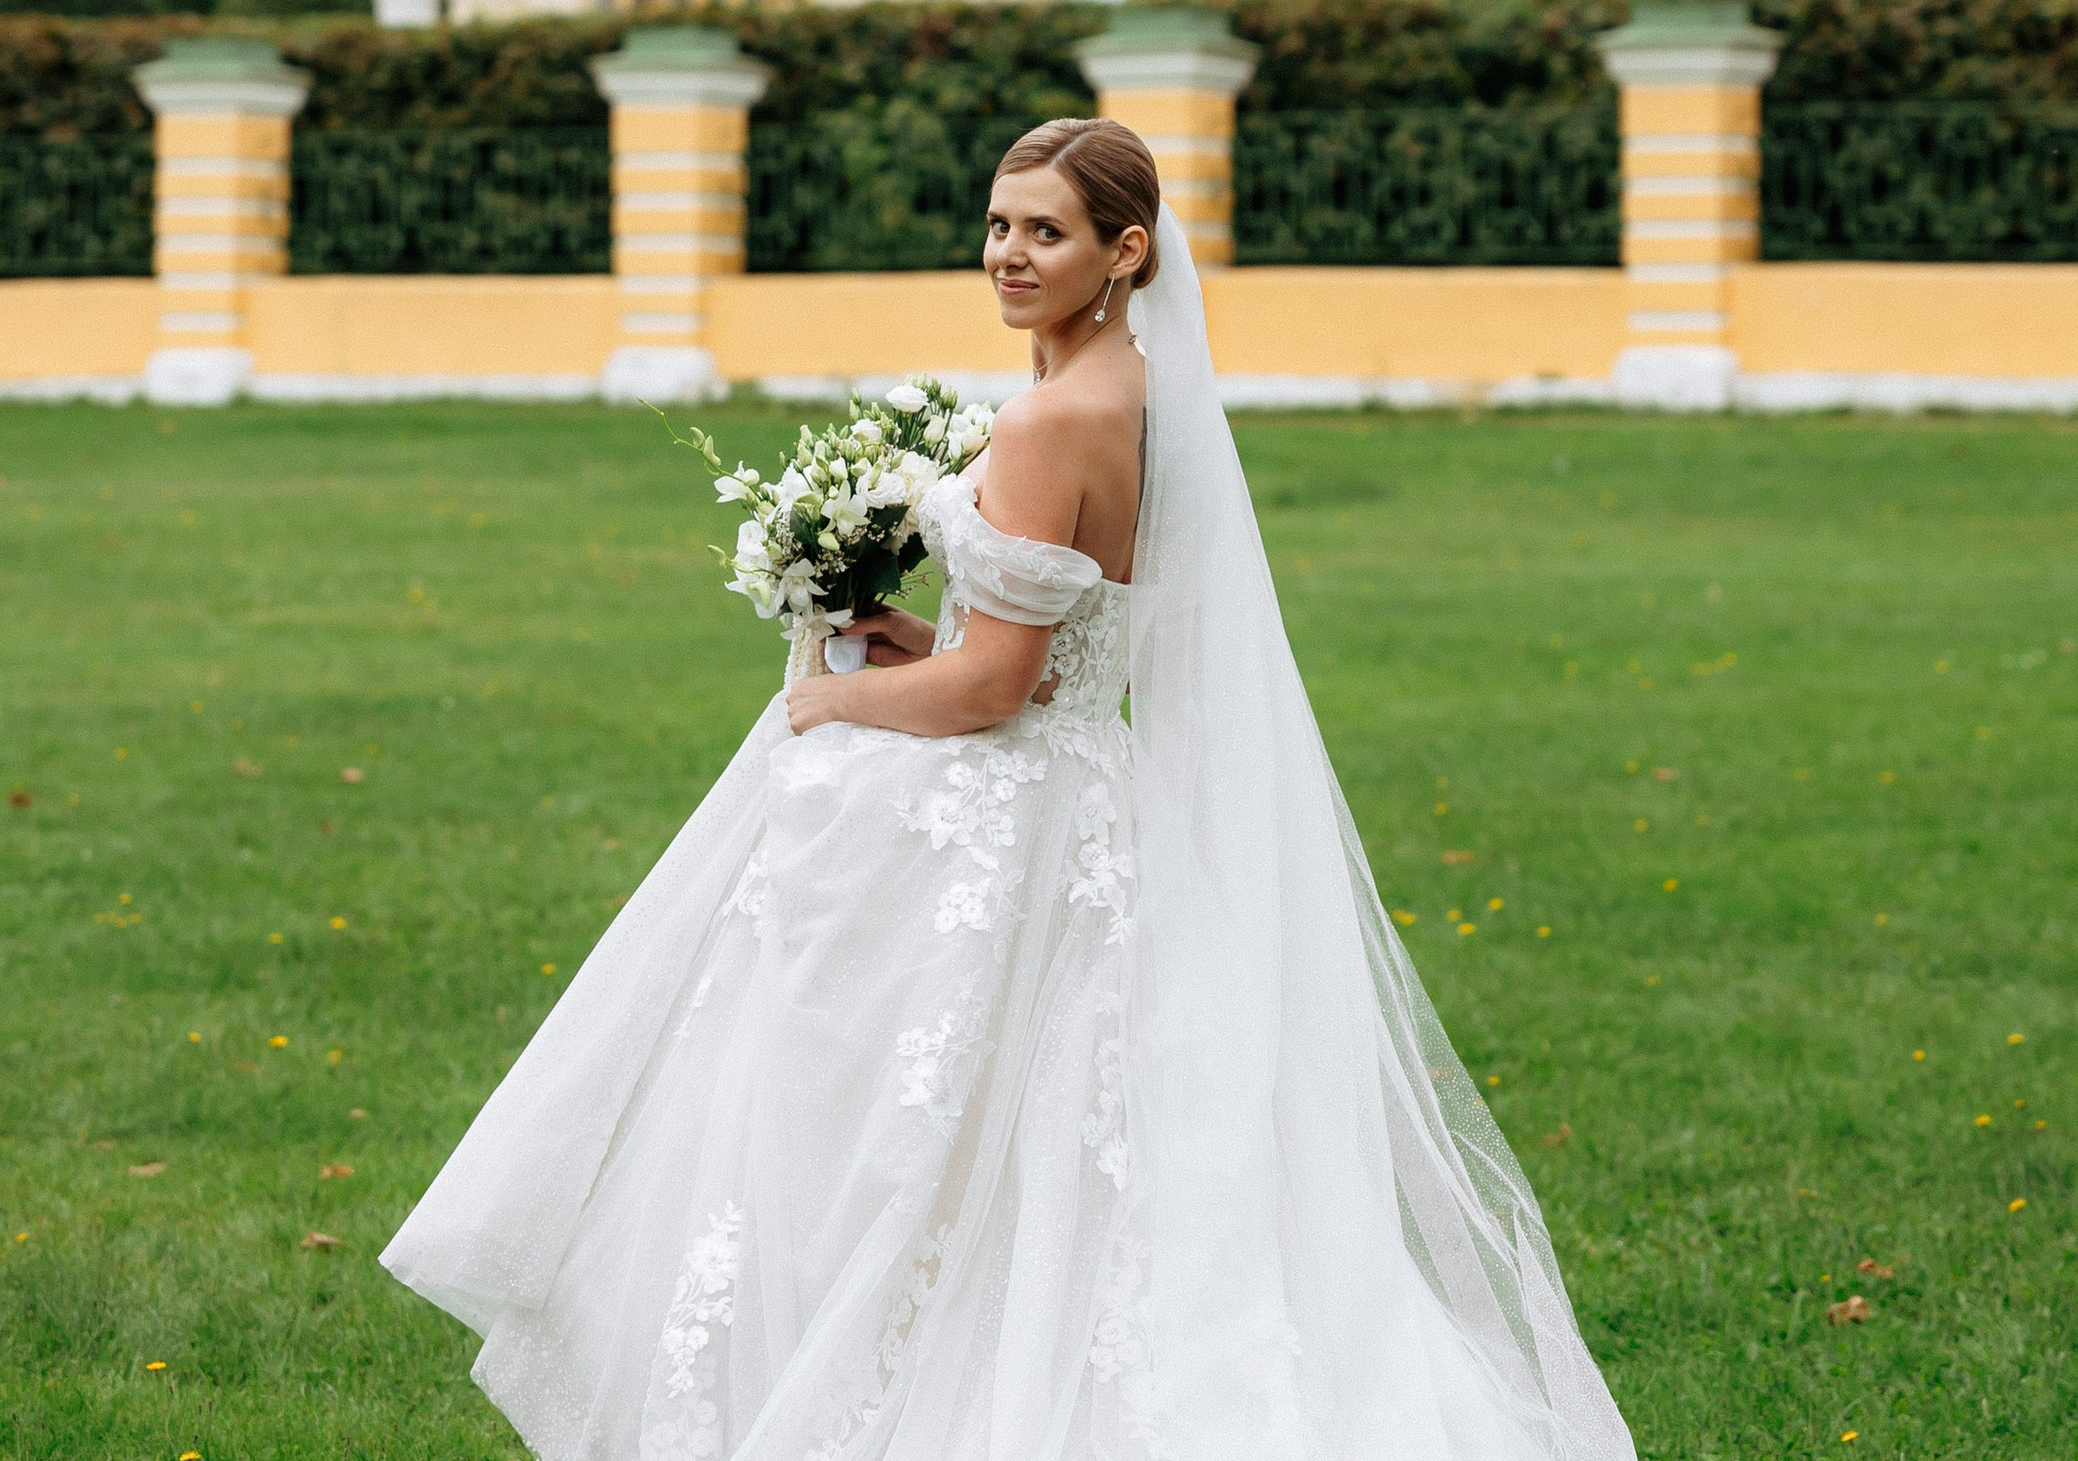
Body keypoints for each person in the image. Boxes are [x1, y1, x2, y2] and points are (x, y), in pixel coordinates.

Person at [383, 118, 1636, 1460]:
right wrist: (921, 642)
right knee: (1084, 1139)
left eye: (1047, 232)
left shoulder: (1047, 420)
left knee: (926, 1139)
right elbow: (1043, 657)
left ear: (1127, 250)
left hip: (1014, 818)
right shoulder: (1145, 395)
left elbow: (991, 695)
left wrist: (833, 695)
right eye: (998, 226)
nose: (1010, 255)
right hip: (1095, 787)